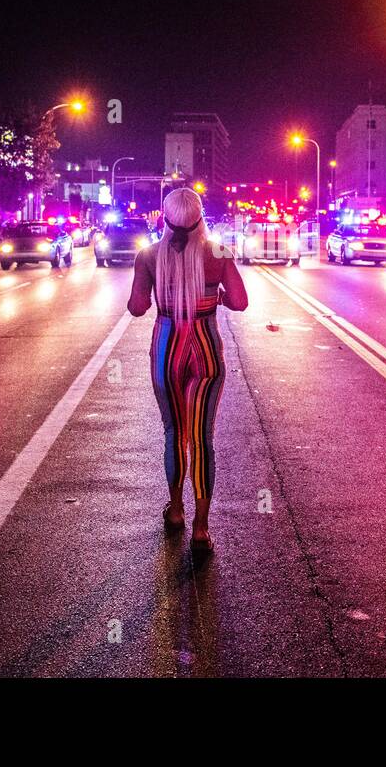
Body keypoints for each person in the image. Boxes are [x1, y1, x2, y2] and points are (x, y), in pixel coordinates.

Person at [128, 188, 248, 555]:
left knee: (173, 432)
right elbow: (241, 302)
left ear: (164, 218)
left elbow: (136, 308)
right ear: (200, 217)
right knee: (202, 438)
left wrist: (152, 289)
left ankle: (176, 510)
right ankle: (201, 528)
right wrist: (219, 297)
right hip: (206, 349)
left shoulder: (148, 255)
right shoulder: (218, 253)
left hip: (167, 349)